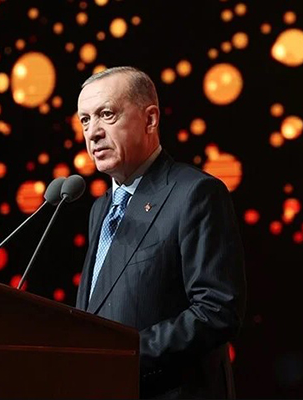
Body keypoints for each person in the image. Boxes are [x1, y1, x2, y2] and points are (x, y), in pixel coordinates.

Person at [74, 66, 247, 399]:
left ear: (150, 119)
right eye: (85, 120)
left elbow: (217, 310)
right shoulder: (100, 208)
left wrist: (127, 355)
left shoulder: (195, 193)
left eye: (106, 115)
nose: (92, 132)